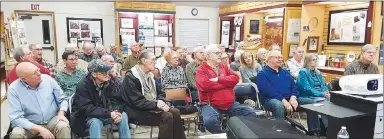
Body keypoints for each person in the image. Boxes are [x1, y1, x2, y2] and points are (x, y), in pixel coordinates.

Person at [120, 50, 186, 139]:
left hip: (150, 106)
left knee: (175, 112)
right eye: (153, 60)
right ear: (143, 61)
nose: (155, 62)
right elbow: (136, 102)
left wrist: (161, 101)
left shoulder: (150, 75)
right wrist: (156, 104)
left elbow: (161, 92)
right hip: (136, 111)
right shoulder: (131, 77)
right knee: (166, 117)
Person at [256, 50, 321, 135]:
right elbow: (269, 91)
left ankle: (314, 132)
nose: (280, 59)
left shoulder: (285, 72)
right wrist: (283, 100)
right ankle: (281, 132)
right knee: (279, 105)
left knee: (311, 103)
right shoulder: (262, 74)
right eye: (277, 57)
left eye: (281, 58)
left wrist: (293, 97)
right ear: (269, 59)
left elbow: (294, 87)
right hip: (270, 100)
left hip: (290, 99)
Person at [196, 45, 257, 134]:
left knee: (251, 114)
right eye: (217, 53)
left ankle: (234, 133)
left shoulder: (223, 67)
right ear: (208, 56)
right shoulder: (201, 70)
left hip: (229, 103)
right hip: (210, 104)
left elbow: (236, 79)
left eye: (220, 53)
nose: (220, 55)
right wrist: (227, 84)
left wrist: (219, 79)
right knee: (209, 121)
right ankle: (224, 134)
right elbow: (204, 86)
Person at [7, 62, 70, 139]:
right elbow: (15, 118)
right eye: (35, 73)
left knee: (63, 126)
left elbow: (63, 99)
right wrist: (40, 129)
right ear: (24, 79)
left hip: (51, 119)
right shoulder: (13, 89)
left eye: (38, 70)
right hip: (29, 124)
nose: (39, 74)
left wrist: (61, 113)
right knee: (16, 134)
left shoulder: (48, 79)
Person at [71, 59, 131, 138]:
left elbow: (116, 100)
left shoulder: (108, 82)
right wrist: (109, 113)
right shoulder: (83, 86)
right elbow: (87, 109)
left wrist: (117, 112)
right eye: (102, 73)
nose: (106, 74)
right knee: (95, 122)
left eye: (106, 72)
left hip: (105, 113)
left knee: (123, 116)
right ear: (94, 74)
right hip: (86, 117)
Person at [296, 53, 329, 131]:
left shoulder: (318, 72)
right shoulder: (303, 72)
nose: (316, 61)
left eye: (317, 59)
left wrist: (325, 92)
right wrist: (322, 94)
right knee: (321, 103)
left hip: (319, 95)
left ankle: (328, 128)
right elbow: (307, 89)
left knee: (330, 102)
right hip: (306, 96)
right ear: (308, 61)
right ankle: (316, 130)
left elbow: (323, 85)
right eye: (314, 60)